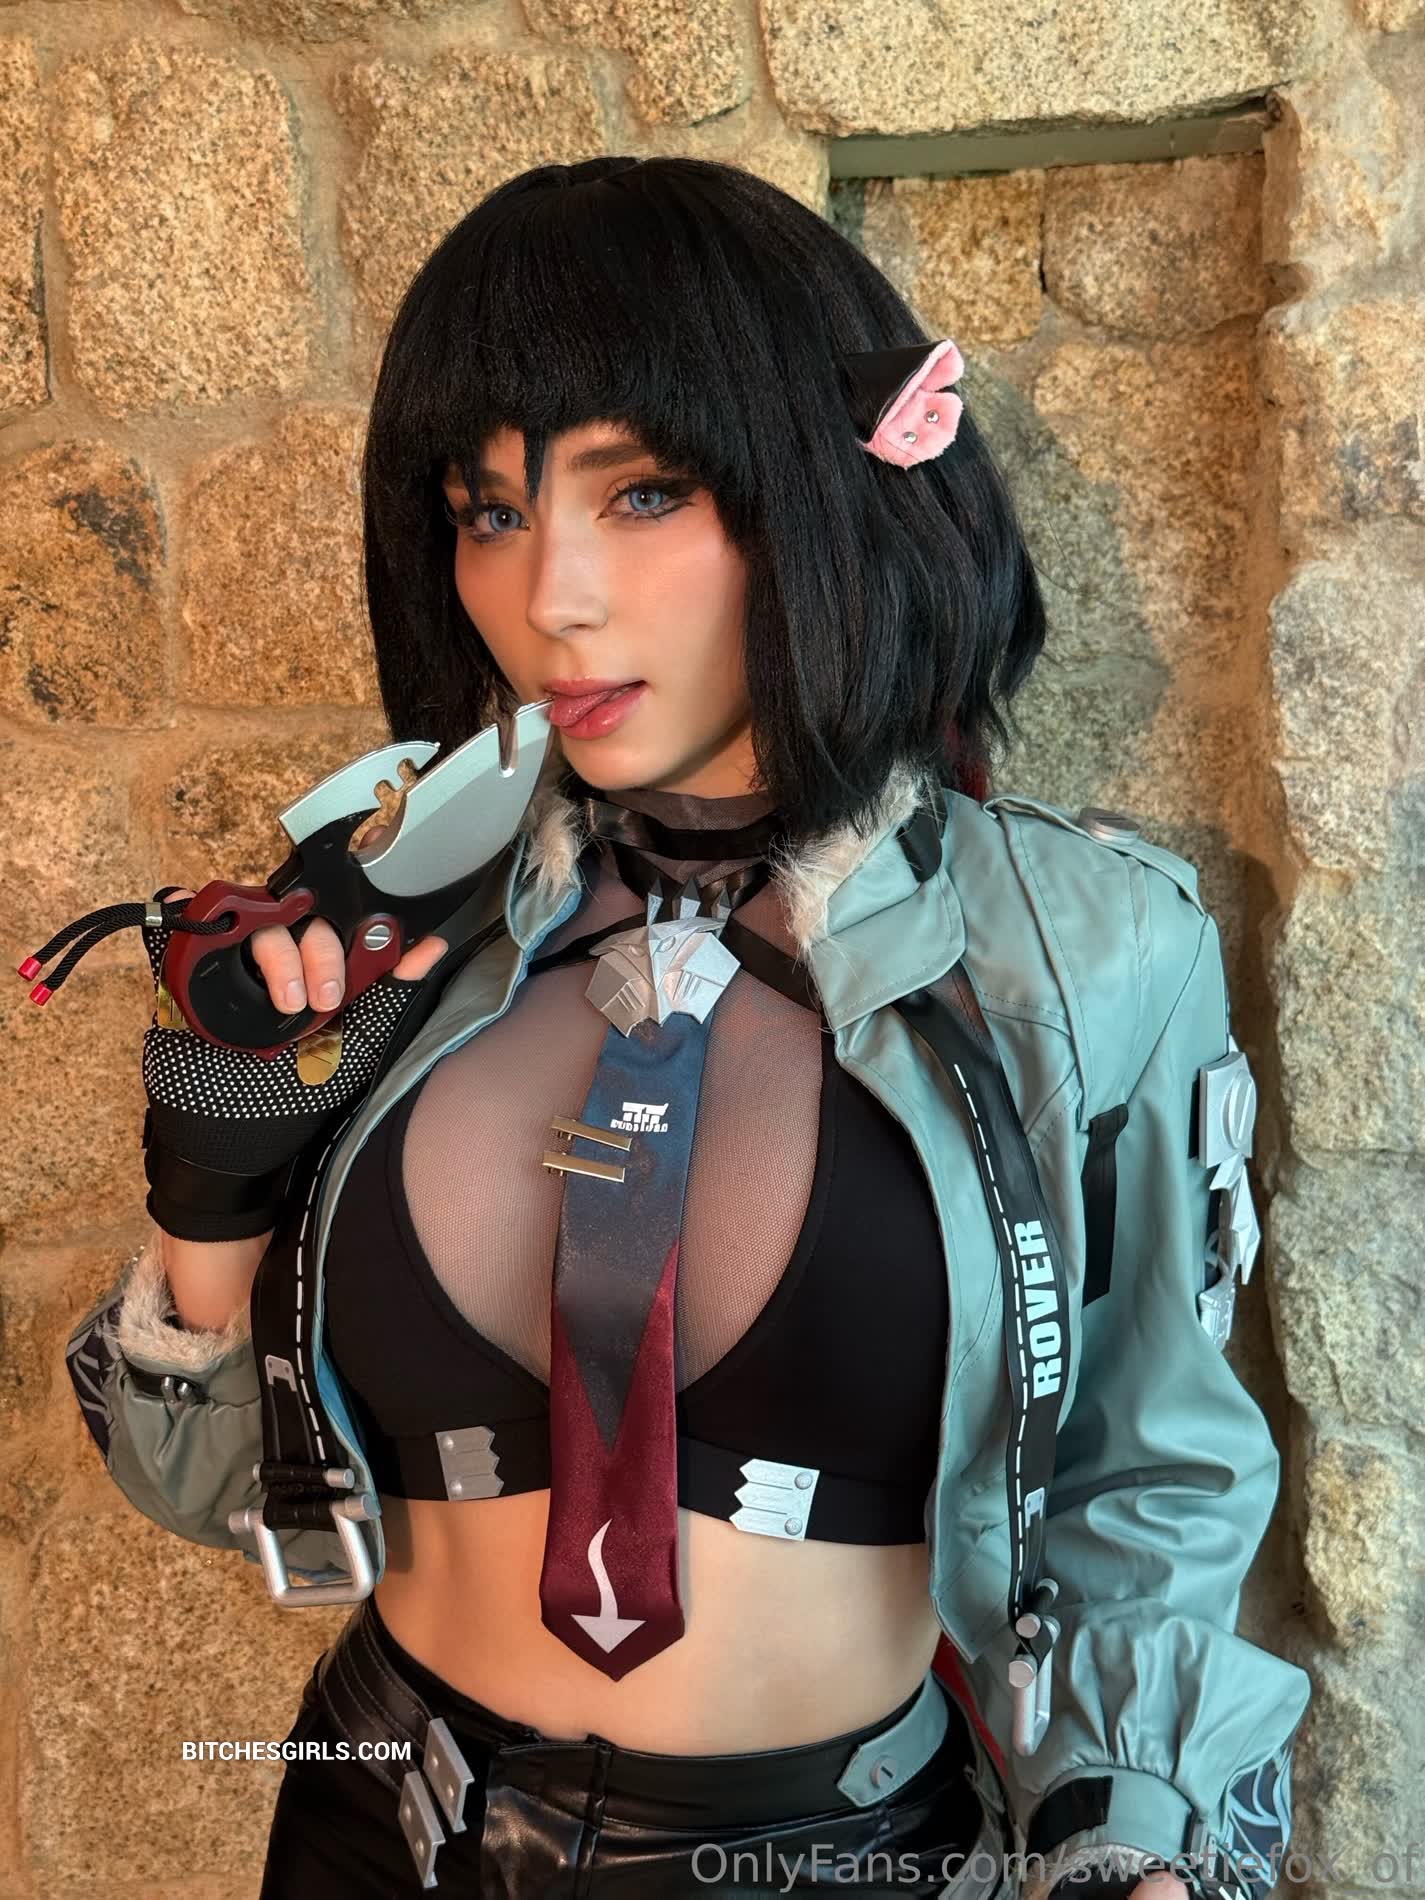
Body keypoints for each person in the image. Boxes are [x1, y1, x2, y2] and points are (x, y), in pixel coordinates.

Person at [54, 156, 1312, 1898]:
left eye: (641, 491)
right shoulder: (399, 915)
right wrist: (210, 1194)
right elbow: (206, 1492)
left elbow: (1145, 1470)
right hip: (372, 1819)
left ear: (823, 491)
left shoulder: (1082, 952)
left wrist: (1137, 1846)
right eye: (487, 511)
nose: (549, 595)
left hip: (837, 1858)